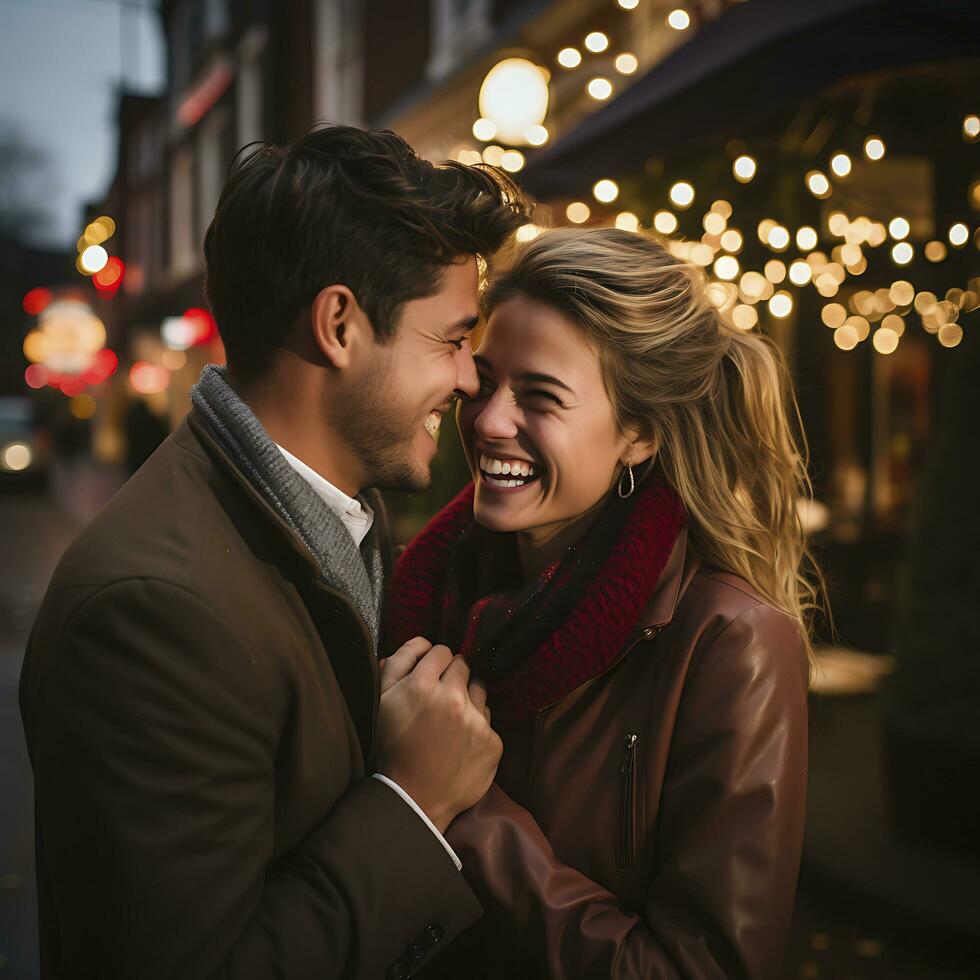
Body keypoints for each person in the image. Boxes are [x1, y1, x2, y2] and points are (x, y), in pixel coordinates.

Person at [19, 125, 530, 979]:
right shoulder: (154, 610)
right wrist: (411, 803)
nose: (471, 379)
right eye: (450, 338)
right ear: (338, 324)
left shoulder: (342, 519)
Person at [384, 227, 821, 979]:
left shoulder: (730, 644)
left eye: (541, 397)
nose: (487, 421)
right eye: (485, 380)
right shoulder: (421, 596)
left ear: (640, 432)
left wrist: (462, 807)